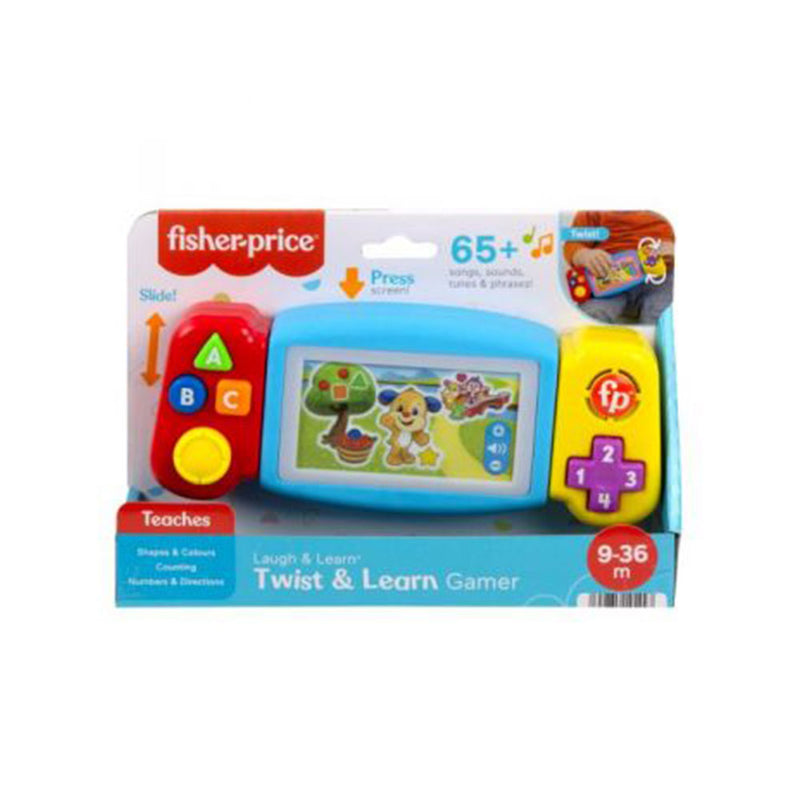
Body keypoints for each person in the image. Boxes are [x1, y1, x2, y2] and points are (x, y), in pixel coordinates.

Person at [564, 210, 675, 324]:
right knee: (592, 314)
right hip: (609, 277)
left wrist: (673, 249)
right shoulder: (592, 211)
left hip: (658, 278)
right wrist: (583, 255)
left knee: (664, 315)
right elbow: (573, 242)